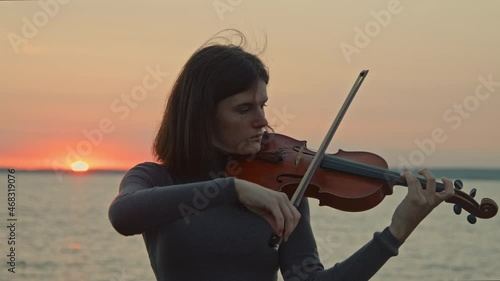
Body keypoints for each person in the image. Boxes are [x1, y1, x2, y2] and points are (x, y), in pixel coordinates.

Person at [108, 29, 455, 281]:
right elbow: (123, 215)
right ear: (202, 114)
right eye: (244, 109)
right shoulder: (157, 179)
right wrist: (231, 188)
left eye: (263, 105)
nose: (262, 121)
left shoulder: (289, 188)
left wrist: (396, 232)